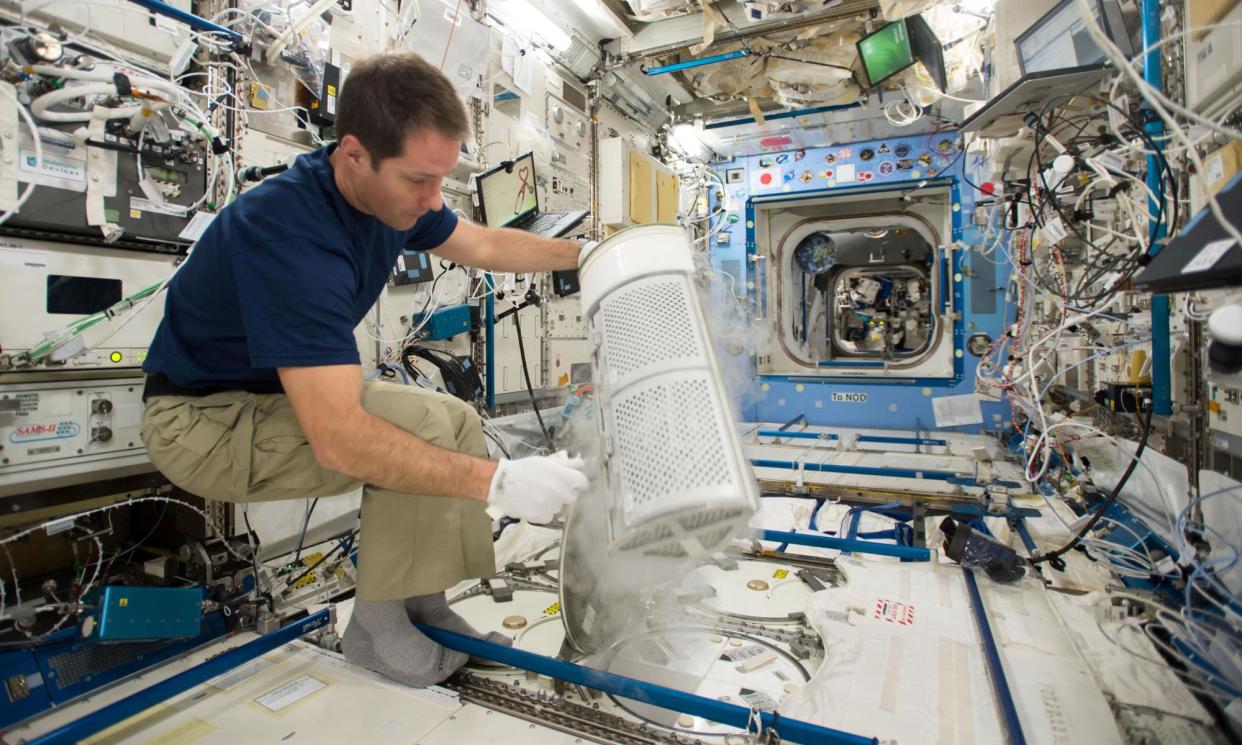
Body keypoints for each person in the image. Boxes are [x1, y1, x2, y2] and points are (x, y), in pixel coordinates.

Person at [139, 51, 590, 687]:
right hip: (202, 423)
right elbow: (339, 438)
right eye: (419, 181)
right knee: (420, 430)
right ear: (353, 154)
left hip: (262, 404)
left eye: (441, 179)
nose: (434, 199)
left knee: (453, 416)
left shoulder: (388, 199)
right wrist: (499, 484)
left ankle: (424, 607)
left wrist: (589, 256)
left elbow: (485, 243)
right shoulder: (290, 233)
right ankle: (376, 630)